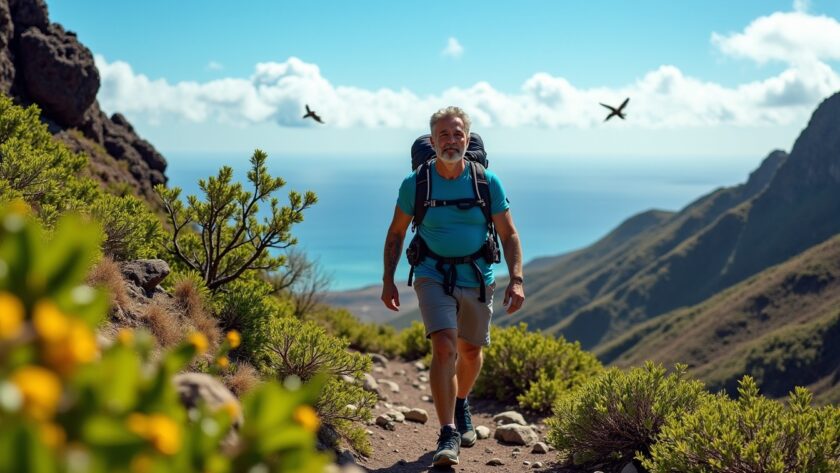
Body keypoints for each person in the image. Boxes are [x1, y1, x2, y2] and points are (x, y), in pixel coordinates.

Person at [380, 106, 525, 467]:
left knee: (471, 352)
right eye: (443, 135)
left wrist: (517, 278)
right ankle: (448, 433)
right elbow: (397, 233)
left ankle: (461, 404)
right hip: (431, 272)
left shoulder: (486, 181)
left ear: (467, 137)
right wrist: (388, 279)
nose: (451, 140)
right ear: (432, 141)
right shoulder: (416, 183)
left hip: (477, 276)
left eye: (457, 134)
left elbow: (508, 234)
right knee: (445, 348)